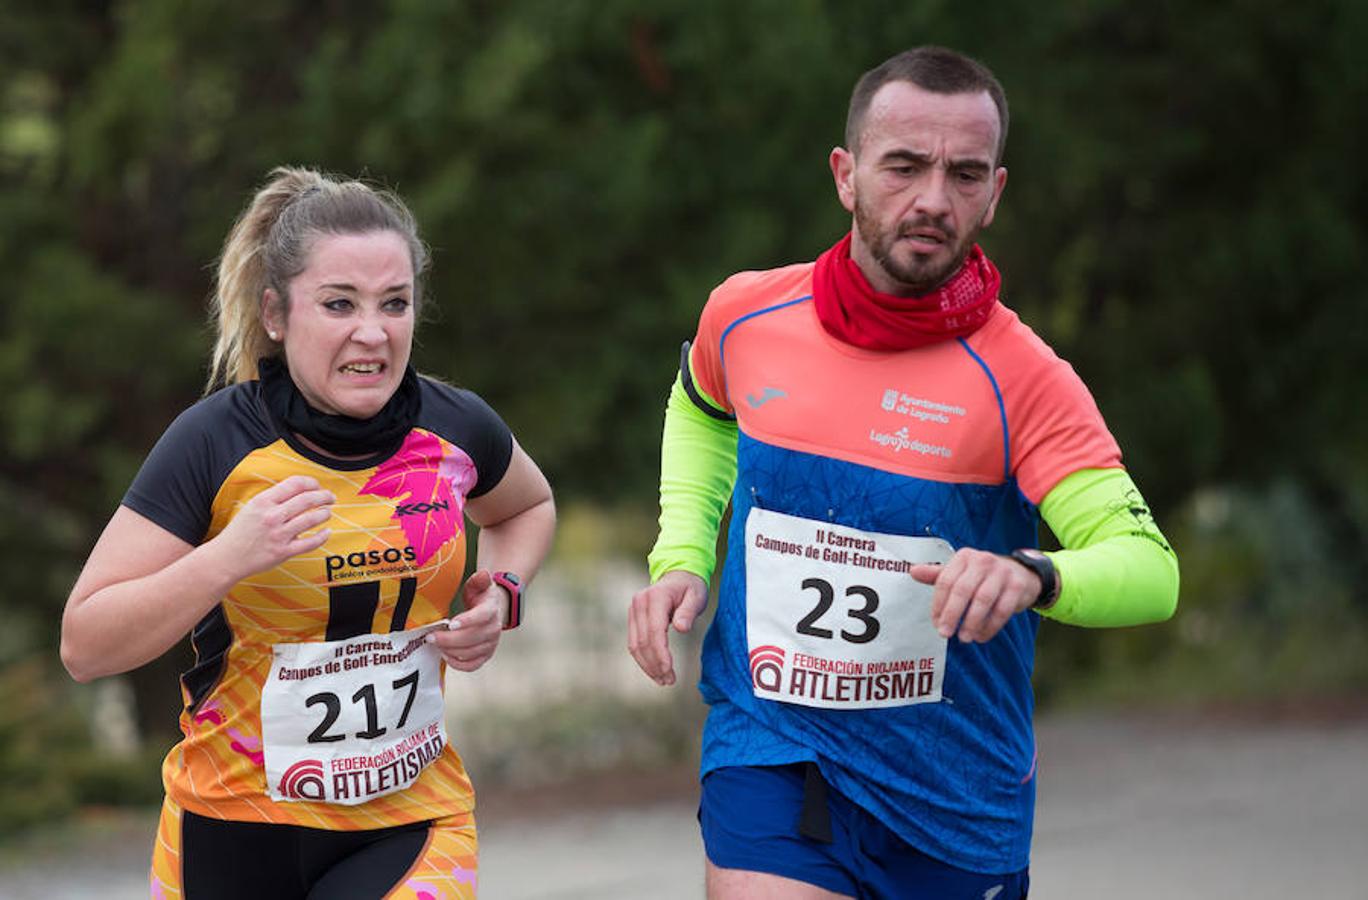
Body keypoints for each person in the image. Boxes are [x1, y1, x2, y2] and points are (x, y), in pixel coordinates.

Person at [628, 46, 1179, 899]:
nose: (932, 200)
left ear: (995, 193)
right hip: (774, 741)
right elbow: (701, 409)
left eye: (964, 174)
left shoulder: (1023, 379)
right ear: (847, 176)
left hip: (952, 792)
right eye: (905, 166)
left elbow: (1150, 569)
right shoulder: (746, 315)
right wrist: (681, 555)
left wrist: (1035, 574)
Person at [60, 167, 555, 900]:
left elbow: (525, 505)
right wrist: (227, 557)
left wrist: (503, 595)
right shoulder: (215, 444)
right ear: (275, 315)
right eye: (338, 304)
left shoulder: (454, 428)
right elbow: (85, 644)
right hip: (230, 824)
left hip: (411, 820)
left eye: (395, 304)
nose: (372, 331)